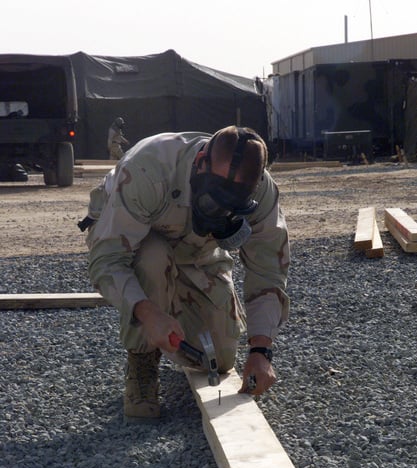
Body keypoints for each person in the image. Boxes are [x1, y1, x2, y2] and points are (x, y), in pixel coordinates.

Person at [84, 125, 290, 423]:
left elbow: (268, 268)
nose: (216, 209)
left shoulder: (262, 191)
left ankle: (171, 307)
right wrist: (148, 314)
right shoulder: (147, 170)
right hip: (137, 242)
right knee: (153, 258)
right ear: (200, 161)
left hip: (197, 253)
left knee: (219, 360)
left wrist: (261, 350)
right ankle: (142, 361)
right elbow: (107, 260)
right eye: (211, 198)